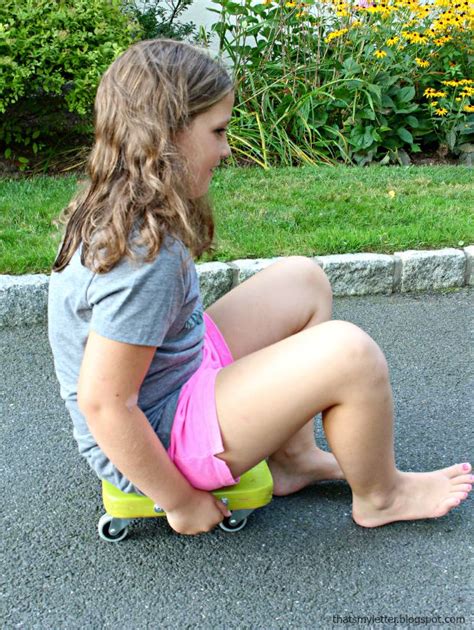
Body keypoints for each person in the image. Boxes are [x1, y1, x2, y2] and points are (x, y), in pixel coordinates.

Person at [48, 39, 472, 536]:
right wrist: (180, 500)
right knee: (350, 353)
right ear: (165, 137)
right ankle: (382, 496)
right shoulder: (144, 256)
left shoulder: (121, 203)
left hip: (172, 381)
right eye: (218, 131)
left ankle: (294, 460)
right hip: (159, 441)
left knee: (302, 280)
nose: (227, 149)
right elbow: (104, 403)